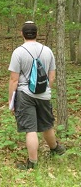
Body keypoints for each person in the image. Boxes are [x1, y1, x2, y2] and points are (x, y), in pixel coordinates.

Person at [8, 21, 66, 169]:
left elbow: (14, 79)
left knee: (30, 129)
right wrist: (45, 91)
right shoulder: (47, 51)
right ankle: (55, 149)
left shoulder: (18, 52)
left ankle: (32, 163)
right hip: (44, 94)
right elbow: (51, 77)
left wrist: (11, 101)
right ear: (36, 34)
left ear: (22, 34)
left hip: (25, 94)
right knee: (47, 125)